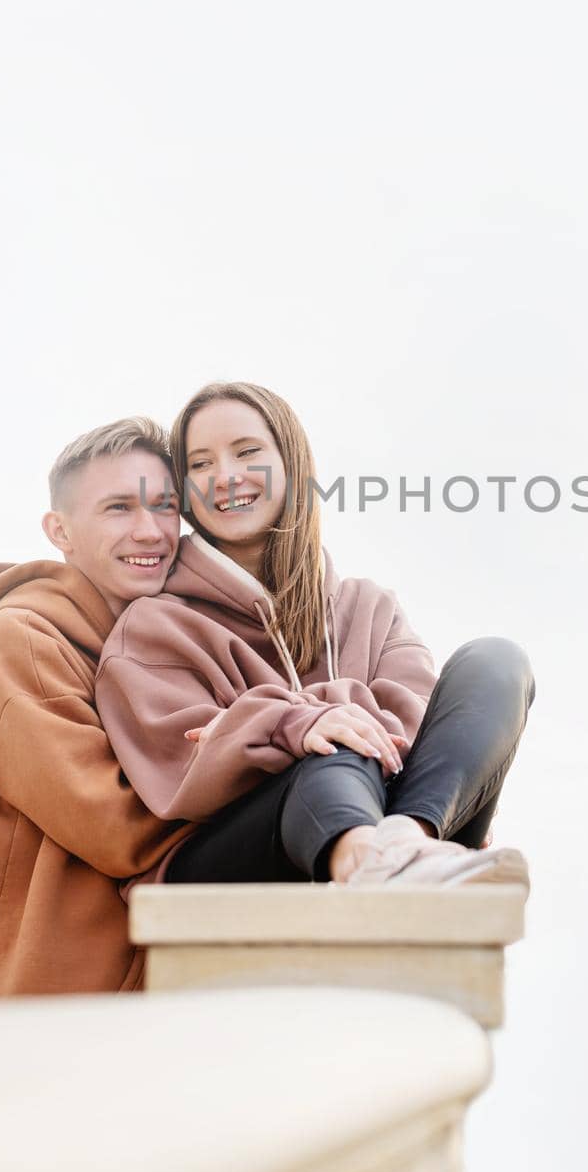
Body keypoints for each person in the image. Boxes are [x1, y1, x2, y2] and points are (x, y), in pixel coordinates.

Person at [95, 383, 534, 895]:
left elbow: (425, 733)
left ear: (291, 462)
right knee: (333, 744)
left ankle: (402, 848)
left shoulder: (371, 608)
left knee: (496, 661)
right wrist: (303, 724)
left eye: (248, 452)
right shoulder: (156, 625)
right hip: (229, 859)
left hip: (395, 812)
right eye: (200, 464)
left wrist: (261, 725)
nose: (226, 477)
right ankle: (377, 860)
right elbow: (179, 772)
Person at [0, 418, 199, 1003]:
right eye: (119, 508)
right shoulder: (19, 642)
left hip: (128, 998)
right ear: (60, 531)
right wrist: (267, 754)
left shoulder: (156, 644)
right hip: (38, 1011)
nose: (150, 531)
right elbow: (115, 826)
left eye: (165, 506)